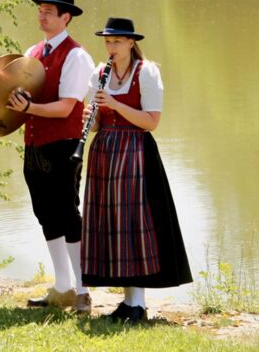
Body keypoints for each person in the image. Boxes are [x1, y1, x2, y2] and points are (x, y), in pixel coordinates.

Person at [81, 17, 192, 323]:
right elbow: (100, 122)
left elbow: (151, 122)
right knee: (112, 224)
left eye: (116, 41)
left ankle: (140, 304)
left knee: (133, 225)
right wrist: (90, 118)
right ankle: (128, 302)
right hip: (105, 152)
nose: (110, 46)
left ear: (131, 43)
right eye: (107, 41)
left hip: (135, 153)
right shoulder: (99, 73)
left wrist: (115, 104)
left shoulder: (147, 72)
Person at [6, 0, 95, 314]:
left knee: (68, 215)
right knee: (45, 215)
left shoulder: (76, 55)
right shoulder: (33, 51)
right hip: (35, 146)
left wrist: (29, 107)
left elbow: (65, 108)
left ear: (65, 18)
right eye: (40, 10)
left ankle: (83, 291)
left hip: (63, 146)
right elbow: (19, 95)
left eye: (49, 11)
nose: (42, 15)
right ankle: (62, 287)